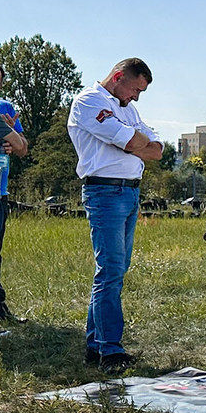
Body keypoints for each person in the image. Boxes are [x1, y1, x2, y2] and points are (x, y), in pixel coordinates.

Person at [67, 58, 162, 372]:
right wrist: (134, 143)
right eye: (135, 88)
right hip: (105, 193)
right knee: (109, 272)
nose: (136, 97)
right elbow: (135, 141)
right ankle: (111, 351)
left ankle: (96, 346)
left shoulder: (127, 109)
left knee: (115, 271)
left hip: (130, 192)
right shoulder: (88, 102)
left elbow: (157, 148)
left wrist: (132, 144)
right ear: (119, 77)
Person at [0, 67, 28, 336]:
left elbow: (21, 145)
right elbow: (18, 142)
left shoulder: (2, 108)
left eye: (0, 84)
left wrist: (8, 141)